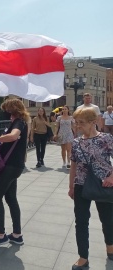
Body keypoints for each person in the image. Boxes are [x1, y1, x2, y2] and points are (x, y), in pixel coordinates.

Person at [68, 107, 113, 269]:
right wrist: (71, 186)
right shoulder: (76, 142)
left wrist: (111, 177)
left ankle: (110, 247)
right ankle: (83, 257)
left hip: (104, 184)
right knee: (81, 222)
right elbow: (73, 165)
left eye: (81, 123)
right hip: (81, 185)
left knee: (107, 219)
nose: (78, 126)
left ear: (93, 122)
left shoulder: (106, 139)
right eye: (76, 123)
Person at [0, 98, 29, 248]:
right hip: (15, 166)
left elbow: (14, 136)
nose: (7, 114)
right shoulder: (19, 122)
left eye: (9, 111)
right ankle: (17, 235)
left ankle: (0, 235)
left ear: (14, 111)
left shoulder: (19, 122)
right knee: (10, 198)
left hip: (11, 166)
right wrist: (0, 143)